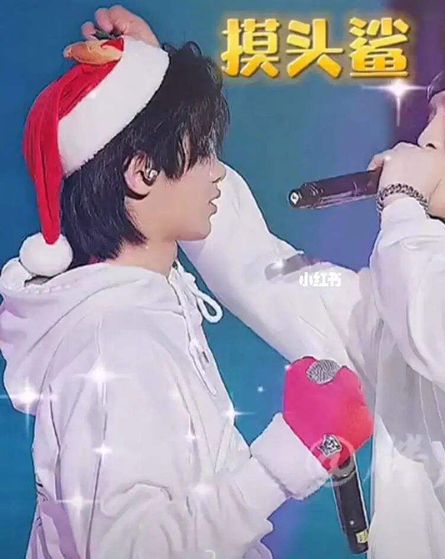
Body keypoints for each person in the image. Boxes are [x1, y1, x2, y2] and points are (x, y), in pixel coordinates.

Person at [84, 7, 445, 559]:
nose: (426, 137)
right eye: (430, 114)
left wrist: (402, 205)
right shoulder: (410, 294)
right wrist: (162, 103)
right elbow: (260, 271)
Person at [0, 19, 373, 559]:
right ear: (142, 173)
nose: (218, 173)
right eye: (201, 153)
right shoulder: (116, 342)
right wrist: (287, 455)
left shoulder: (149, 304)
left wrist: (152, 82)